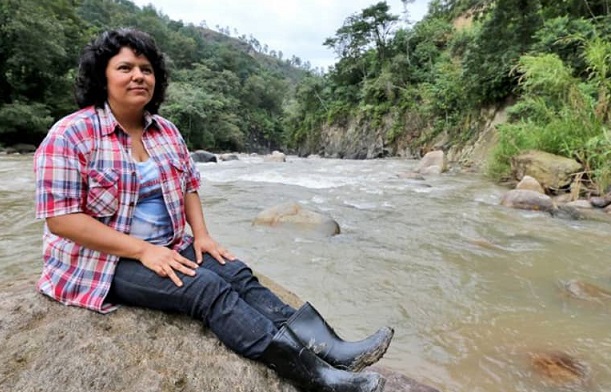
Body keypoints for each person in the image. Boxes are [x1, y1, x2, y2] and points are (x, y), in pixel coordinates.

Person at [33, 28, 393, 392]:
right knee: (205, 289)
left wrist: (202, 236)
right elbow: (62, 219)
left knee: (236, 274)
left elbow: (189, 184)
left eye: (146, 68)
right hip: (101, 260)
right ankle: (317, 378)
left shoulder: (166, 132)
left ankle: (334, 350)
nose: (139, 76)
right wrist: (143, 250)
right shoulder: (71, 134)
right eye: (125, 68)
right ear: (102, 76)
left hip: (168, 243)